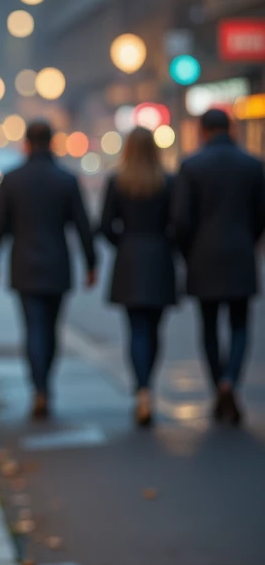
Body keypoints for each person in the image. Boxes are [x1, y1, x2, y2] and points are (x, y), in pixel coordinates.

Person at [0, 118, 96, 418]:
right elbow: (82, 225)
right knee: (51, 328)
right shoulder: (67, 179)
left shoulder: (12, 179)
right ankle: (46, 384)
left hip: (24, 264)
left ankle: (38, 388)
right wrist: (91, 262)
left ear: (27, 144)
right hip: (58, 264)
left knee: (33, 327)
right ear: (52, 142)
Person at [172, 106, 265, 424]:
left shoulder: (191, 166)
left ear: (202, 130)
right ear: (231, 129)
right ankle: (230, 381)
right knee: (240, 325)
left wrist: (187, 253)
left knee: (209, 326)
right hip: (240, 254)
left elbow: (181, 220)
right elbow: (260, 215)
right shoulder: (253, 165)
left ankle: (218, 385)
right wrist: (250, 241)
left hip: (203, 257)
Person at [99, 125, 177, 425]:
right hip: (159, 259)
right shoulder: (167, 181)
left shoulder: (117, 182)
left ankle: (142, 390)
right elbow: (179, 221)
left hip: (130, 260)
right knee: (155, 330)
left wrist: (125, 243)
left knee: (136, 330)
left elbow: (105, 225)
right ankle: (148, 387)